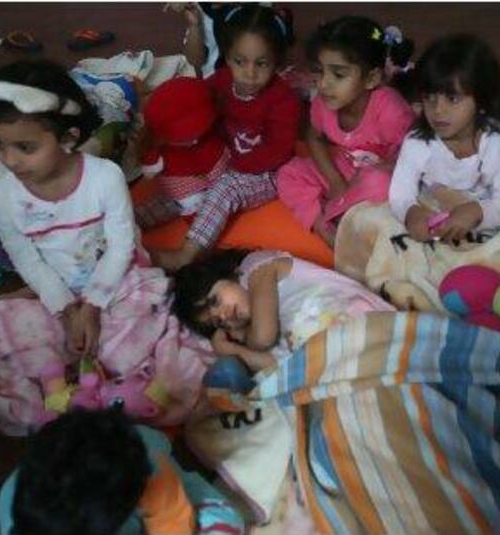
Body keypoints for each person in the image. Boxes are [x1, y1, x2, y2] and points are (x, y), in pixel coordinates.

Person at [0, 59, 136, 358]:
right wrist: (66, 308)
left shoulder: (106, 177)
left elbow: (122, 248)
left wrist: (93, 305)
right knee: (2, 342)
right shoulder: (2, 197)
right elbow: (27, 259)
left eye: (25, 148)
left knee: (134, 333)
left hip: (119, 276)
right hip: (57, 286)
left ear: (68, 138)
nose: (9, 160)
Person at [155, 4, 301, 270]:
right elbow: (196, 101)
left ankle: (186, 254)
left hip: (265, 173)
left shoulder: (283, 100)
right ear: (227, 56)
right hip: (225, 163)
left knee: (225, 188)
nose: (250, 73)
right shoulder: (221, 81)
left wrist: (229, 167)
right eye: (239, 61)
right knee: (183, 188)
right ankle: (128, 223)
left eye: (261, 63)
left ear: (276, 62)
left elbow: (277, 150)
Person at [277, 15, 416, 246]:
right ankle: (323, 225)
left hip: (384, 172)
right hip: (346, 165)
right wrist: (335, 181)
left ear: (371, 78)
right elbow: (314, 136)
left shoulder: (391, 110)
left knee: (380, 182)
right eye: (319, 71)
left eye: (338, 75)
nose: (323, 84)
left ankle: (338, 216)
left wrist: (378, 173)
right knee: (289, 173)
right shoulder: (322, 103)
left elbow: (415, 155)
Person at [0, 408, 244, 535]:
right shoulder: (15, 505)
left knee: (225, 523)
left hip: (149, 467)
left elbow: (175, 524)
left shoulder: (151, 478)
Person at [173, 249, 394, 388]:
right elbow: (283, 367)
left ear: (229, 273)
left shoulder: (255, 268)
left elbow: (262, 337)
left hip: (370, 328)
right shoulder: (262, 325)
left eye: (215, 301)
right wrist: (234, 352)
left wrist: (243, 339)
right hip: (343, 368)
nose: (223, 315)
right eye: (217, 322)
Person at [388, 34, 500, 245]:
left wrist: (476, 211)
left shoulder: (497, 141)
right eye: (429, 98)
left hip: (481, 219)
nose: (438, 110)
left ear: (482, 99)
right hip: (430, 214)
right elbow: (400, 193)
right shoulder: (417, 142)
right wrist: (411, 213)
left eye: (452, 99)